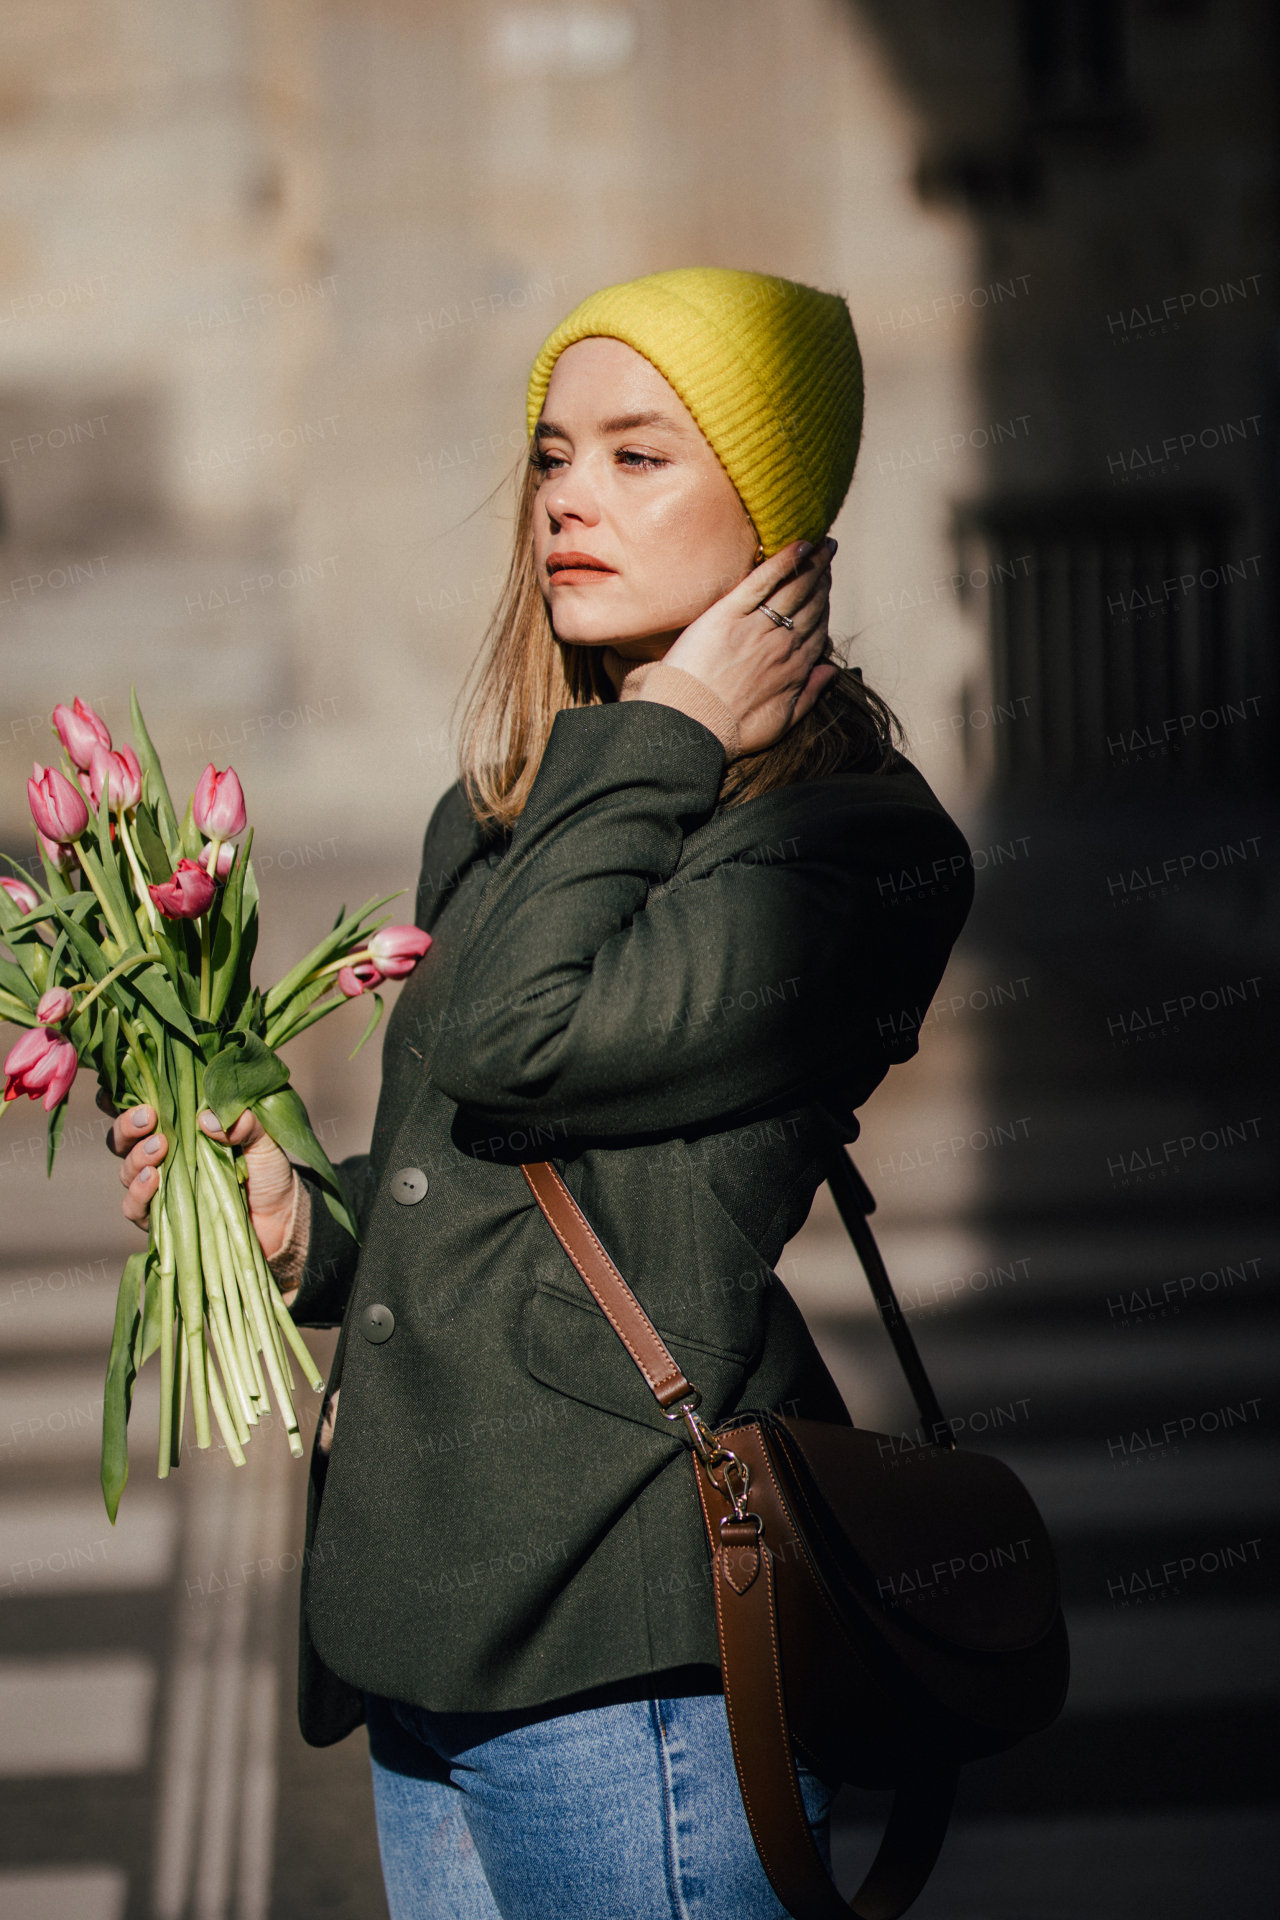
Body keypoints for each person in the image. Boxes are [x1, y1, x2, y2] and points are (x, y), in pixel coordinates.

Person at [110, 268, 973, 1919]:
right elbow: (473, 1177)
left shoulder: (852, 850)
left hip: (627, 1646)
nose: (570, 495)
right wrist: (311, 1225)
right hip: (426, 1639)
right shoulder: (515, 808)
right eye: (553, 455)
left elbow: (520, 1038)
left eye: (641, 456)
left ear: (777, 518)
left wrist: (670, 730)